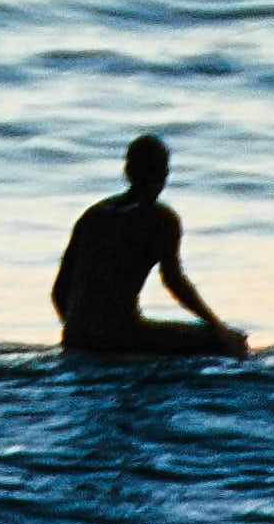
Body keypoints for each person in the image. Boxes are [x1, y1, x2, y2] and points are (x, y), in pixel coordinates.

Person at [50, 133, 245, 359]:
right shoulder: (160, 218)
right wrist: (219, 327)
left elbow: (59, 291)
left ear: (127, 172)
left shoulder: (93, 215)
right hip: (119, 337)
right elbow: (174, 281)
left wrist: (80, 330)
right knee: (226, 342)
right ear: (164, 174)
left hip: (75, 336)